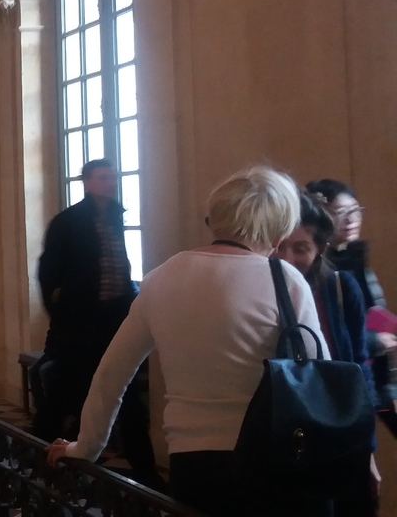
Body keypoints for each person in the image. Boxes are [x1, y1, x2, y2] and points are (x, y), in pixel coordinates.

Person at [47, 166, 333, 517]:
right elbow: (321, 377)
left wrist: (85, 448)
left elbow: (111, 375)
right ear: (278, 229)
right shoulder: (284, 279)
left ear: (213, 218)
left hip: (193, 463)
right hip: (275, 458)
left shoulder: (161, 278)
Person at [33, 159, 158, 488]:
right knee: (64, 397)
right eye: (103, 178)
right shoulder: (68, 221)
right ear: (87, 183)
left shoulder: (116, 217)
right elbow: (48, 274)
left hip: (115, 321)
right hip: (80, 326)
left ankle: (147, 476)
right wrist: (62, 317)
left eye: (112, 177)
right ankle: (36, 459)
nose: (110, 183)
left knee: (126, 396)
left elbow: (117, 264)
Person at [276, 191, 378, 515]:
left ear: (319, 249)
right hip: (281, 441)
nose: (287, 258)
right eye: (279, 246)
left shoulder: (339, 288)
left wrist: (368, 451)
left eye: (300, 248)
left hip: (338, 436)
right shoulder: (259, 292)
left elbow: (359, 369)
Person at [306, 177, 397, 436]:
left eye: (356, 210)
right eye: (341, 212)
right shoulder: (314, 268)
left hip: (374, 373)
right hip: (343, 379)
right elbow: (321, 330)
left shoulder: (356, 259)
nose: (351, 219)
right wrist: (374, 340)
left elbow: (373, 314)